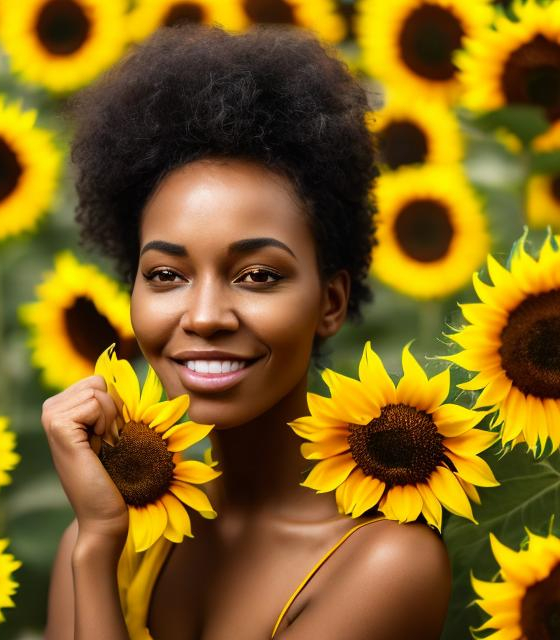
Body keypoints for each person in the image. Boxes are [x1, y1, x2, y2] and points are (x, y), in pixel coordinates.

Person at [41, 23, 451, 640]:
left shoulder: (385, 564)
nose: (204, 315)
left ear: (330, 302)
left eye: (258, 275)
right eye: (166, 274)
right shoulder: (107, 537)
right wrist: (97, 545)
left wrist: (95, 553)